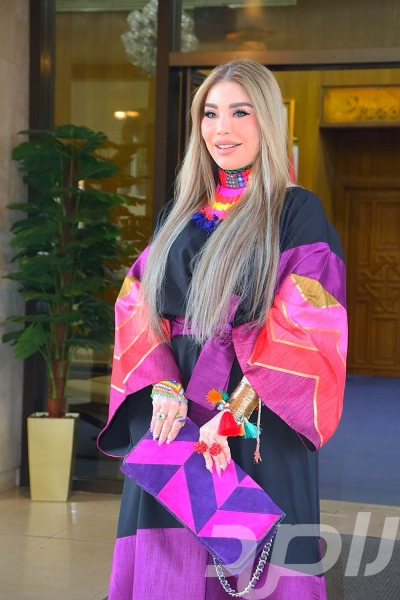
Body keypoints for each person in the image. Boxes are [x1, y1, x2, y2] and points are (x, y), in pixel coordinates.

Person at [98, 60, 347, 599]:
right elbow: (137, 303)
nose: (221, 129)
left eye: (240, 112)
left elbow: (308, 325)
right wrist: (163, 385)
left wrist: (232, 416)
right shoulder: (179, 214)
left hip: (257, 414)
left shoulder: (295, 211)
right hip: (174, 415)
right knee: (167, 557)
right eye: (210, 114)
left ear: (268, 121)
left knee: (257, 564)